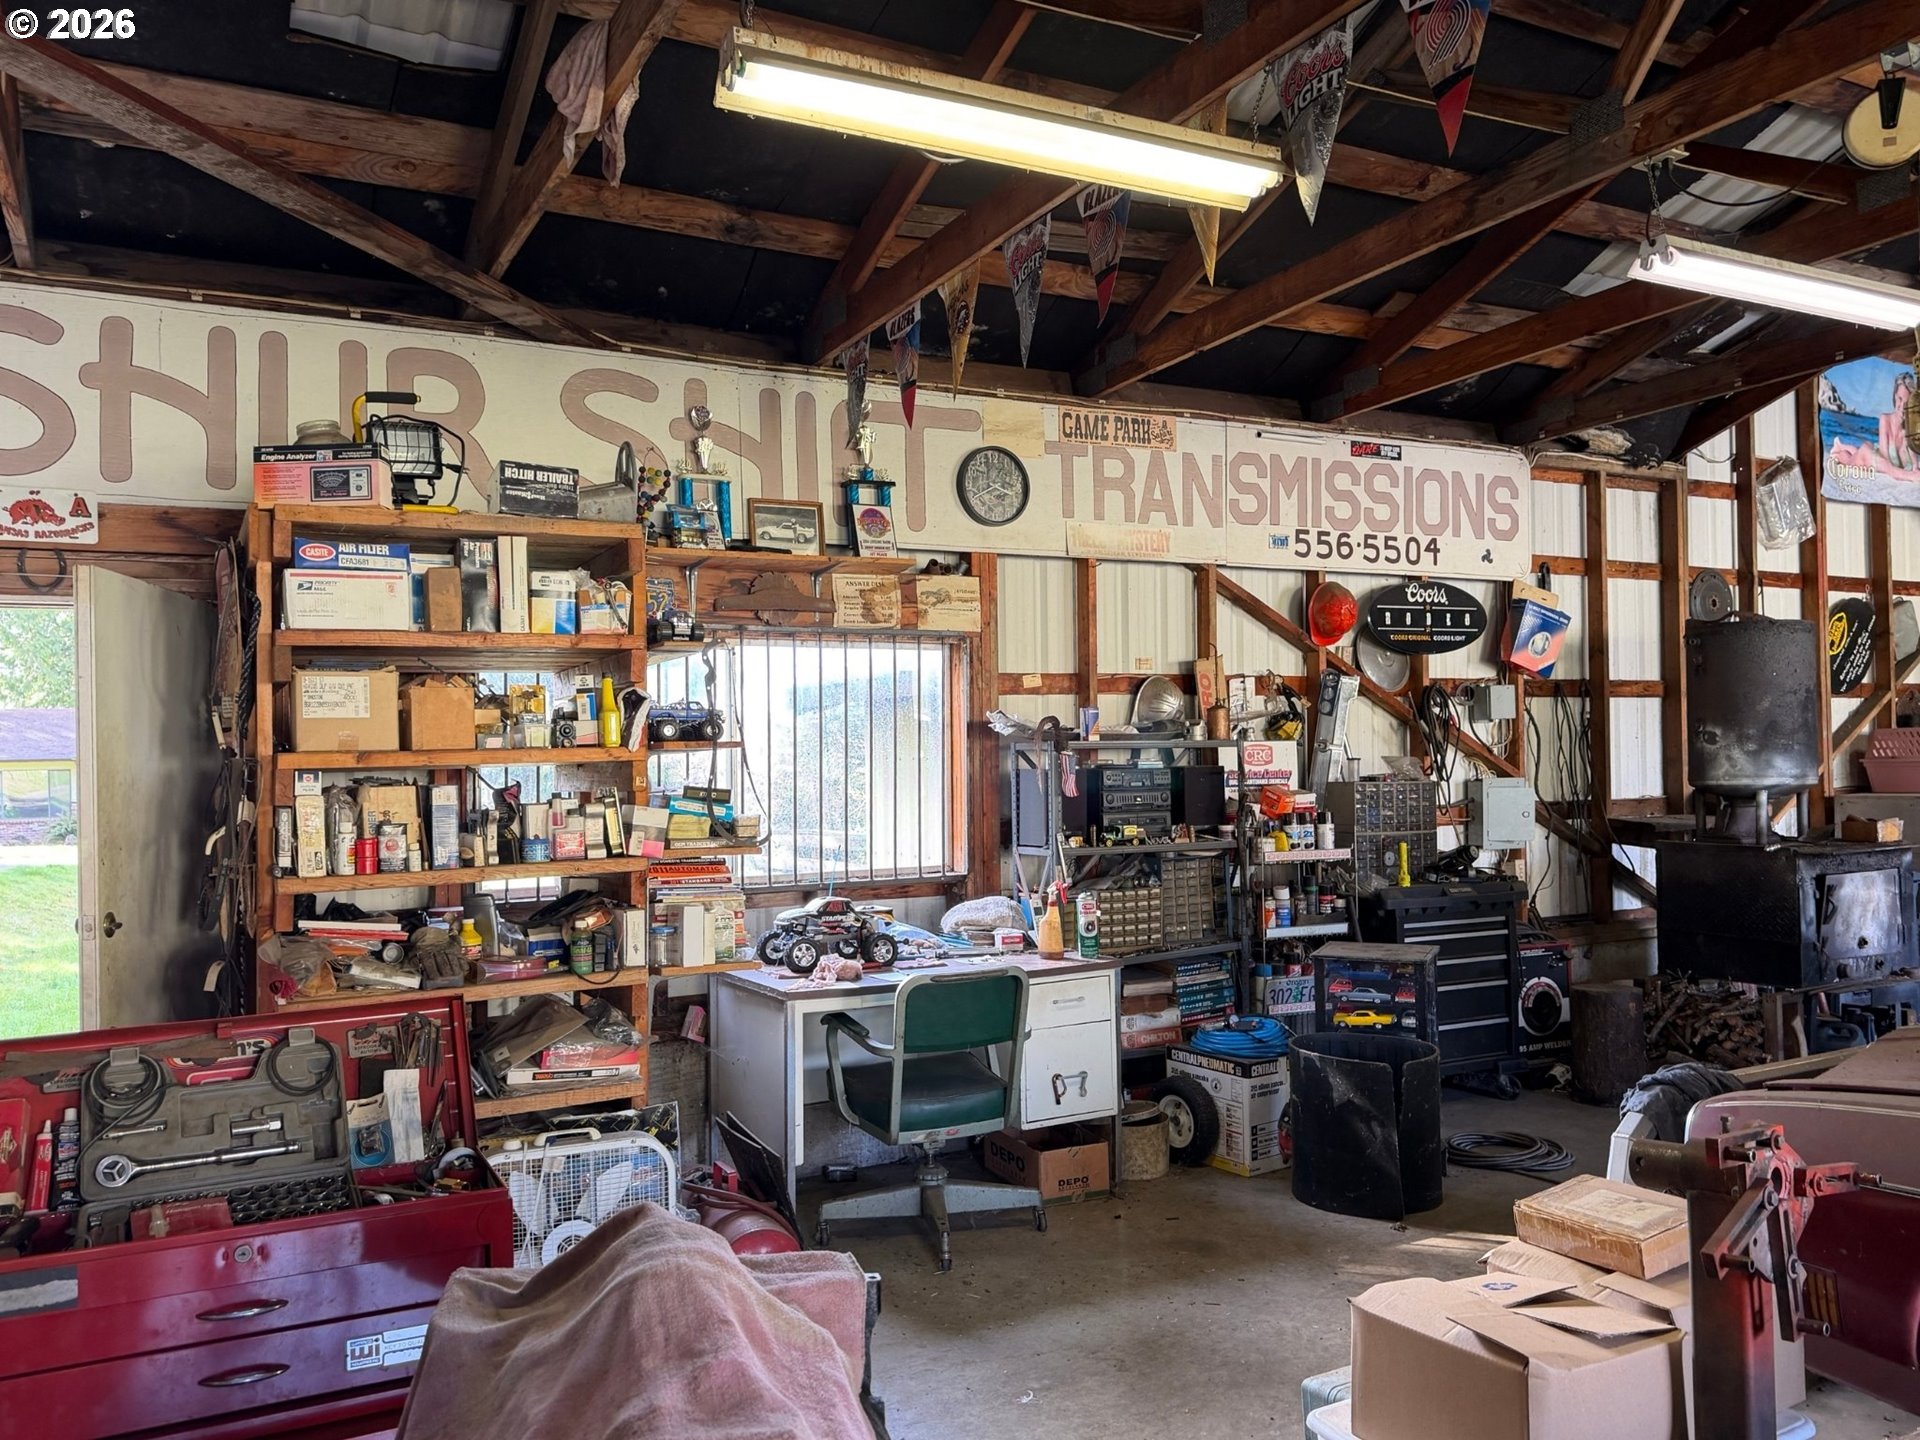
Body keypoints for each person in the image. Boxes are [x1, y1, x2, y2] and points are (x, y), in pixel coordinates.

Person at [1829, 370, 1920, 482]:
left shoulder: (1909, 430)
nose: (1902, 406)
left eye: (1907, 402)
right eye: (1899, 399)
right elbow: (1885, 462)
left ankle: (1841, 445)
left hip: (1874, 454)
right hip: (1872, 458)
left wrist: (1915, 468)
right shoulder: (1885, 419)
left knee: (1865, 450)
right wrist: (1909, 475)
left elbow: (1915, 463)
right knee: (1851, 457)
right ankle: (1838, 450)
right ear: (1895, 396)